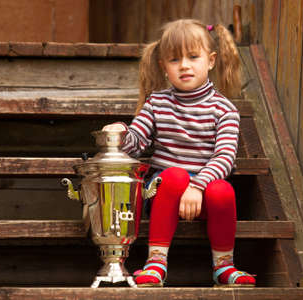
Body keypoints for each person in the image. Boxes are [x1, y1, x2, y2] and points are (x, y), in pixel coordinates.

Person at [102, 19, 256, 288]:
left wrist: (197, 186)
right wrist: (121, 133)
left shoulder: (225, 110)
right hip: (164, 193)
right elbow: (136, 145)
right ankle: (156, 262)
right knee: (173, 176)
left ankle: (224, 266)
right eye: (175, 60)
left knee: (223, 190)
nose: (184, 65)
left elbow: (224, 158)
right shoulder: (157, 104)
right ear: (163, 67)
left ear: (210, 61)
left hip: (202, 192)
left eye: (193, 57)